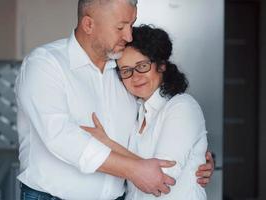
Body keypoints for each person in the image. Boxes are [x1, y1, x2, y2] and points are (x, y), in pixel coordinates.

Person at [15, 0, 214, 199]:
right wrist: (135, 169)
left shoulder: (124, 69)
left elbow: (155, 127)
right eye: (120, 27)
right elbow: (60, 136)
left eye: (131, 24)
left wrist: (194, 156)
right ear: (89, 25)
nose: (129, 35)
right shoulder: (45, 65)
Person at [81, 24, 208, 199]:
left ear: (161, 65)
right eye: (126, 70)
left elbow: (162, 179)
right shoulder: (137, 111)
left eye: (142, 66)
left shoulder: (182, 106)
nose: (135, 77)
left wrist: (107, 144)